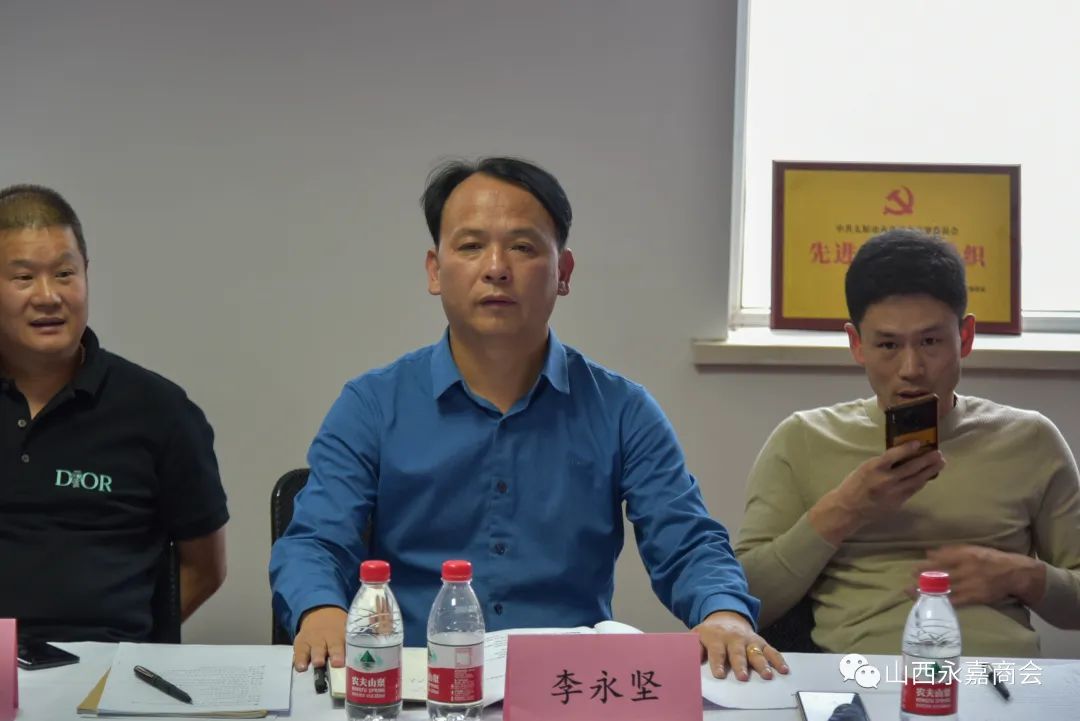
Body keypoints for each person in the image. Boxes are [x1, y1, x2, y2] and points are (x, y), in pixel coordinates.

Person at [270, 156, 786, 681]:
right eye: (471, 246)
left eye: (521, 247)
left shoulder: (622, 410)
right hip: (417, 680)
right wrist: (321, 609)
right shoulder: (372, 405)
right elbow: (315, 541)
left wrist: (724, 612)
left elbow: (688, 541)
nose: (496, 267)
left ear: (563, 273)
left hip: (567, 686)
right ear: (435, 270)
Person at [736, 229, 1080, 656]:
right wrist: (844, 509)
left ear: (965, 338)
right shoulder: (803, 438)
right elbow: (742, 601)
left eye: (930, 341)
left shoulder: (1029, 439)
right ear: (857, 345)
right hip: (856, 677)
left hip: (996, 677)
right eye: (888, 345)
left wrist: (1021, 575)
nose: (911, 368)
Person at [0, 184, 229, 642]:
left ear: (86, 274)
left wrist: (132, 646)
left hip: (104, 666)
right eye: (23, 278)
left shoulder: (159, 411)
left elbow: (205, 568)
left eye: (64, 274)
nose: (48, 296)